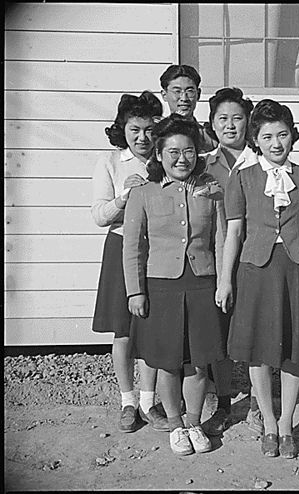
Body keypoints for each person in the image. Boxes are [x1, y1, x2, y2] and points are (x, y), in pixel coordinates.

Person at [216, 99, 299, 459]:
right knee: (259, 351)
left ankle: (285, 427)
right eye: (267, 137)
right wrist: (225, 280)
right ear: (256, 140)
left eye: (282, 134)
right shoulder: (244, 178)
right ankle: (267, 423)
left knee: (294, 350)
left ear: (293, 136)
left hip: (297, 268)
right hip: (255, 270)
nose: (276, 143)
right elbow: (234, 232)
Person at [123, 114, 226, 456]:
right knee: (167, 361)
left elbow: (221, 241)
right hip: (161, 286)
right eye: (173, 152)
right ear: (159, 155)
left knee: (198, 361)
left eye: (189, 151)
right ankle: (176, 425)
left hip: (202, 283)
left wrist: (223, 283)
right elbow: (134, 246)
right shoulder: (144, 193)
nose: (182, 159)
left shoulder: (211, 191)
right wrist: (135, 291)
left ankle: (195, 422)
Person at [91, 90, 169, 433]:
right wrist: (125, 196)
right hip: (121, 247)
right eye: (134, 129)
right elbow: (99, 215)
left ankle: (150, 401)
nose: (143, 137)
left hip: (158, 250)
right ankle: (127, 401)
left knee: (151, 328)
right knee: (123, 331)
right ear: (122, 128)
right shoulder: (110, 162)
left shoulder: (168, 158)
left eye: (150, 129)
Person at [199, 87, 263, 437]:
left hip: (256, 258)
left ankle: (258, 402)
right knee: (220, 334)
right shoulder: (203, 165)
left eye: (237, 118)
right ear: (211, 124)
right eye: (222, 118)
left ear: (248, 122)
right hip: (215, 260)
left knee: (257, 332)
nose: (230, 125)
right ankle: (223, 403)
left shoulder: (263, 161)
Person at [159, 64, 218, 153]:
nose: (184, 98)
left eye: (190, 91)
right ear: (164, 95)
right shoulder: (157, 133)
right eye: (177, 91)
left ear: (198, 94)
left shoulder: (209, 137)